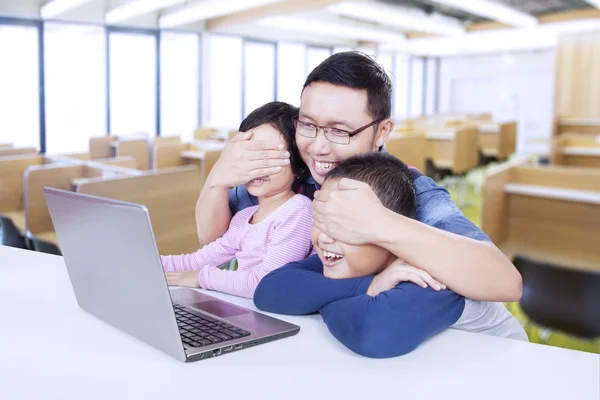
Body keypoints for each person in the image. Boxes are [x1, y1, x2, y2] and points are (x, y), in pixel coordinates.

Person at [194, 51, 522, 302]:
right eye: (307, 125)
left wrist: (379, 222)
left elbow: (505, 282)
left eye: (339, 131)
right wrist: (216, 181)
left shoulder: (408, 189)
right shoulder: (293, 176)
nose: (318, 147)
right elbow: (216, 239)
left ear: (382, 131)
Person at [254, 152, 528, 358]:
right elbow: (269, 290)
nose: (325, 237)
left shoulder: (427, 268)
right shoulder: (349, 258)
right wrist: (368, 287)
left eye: (343, 225)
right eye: (322, 219)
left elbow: (373, 331)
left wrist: (320, 298)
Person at [161, 102, 313, 299]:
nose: (257, 167)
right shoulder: (244, 217)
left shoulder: (298, 211)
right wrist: (149, 263)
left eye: (269, 156)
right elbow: (196, 261)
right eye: (249, 154)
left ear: (298, 164)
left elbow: (266, 283)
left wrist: (201, 278)